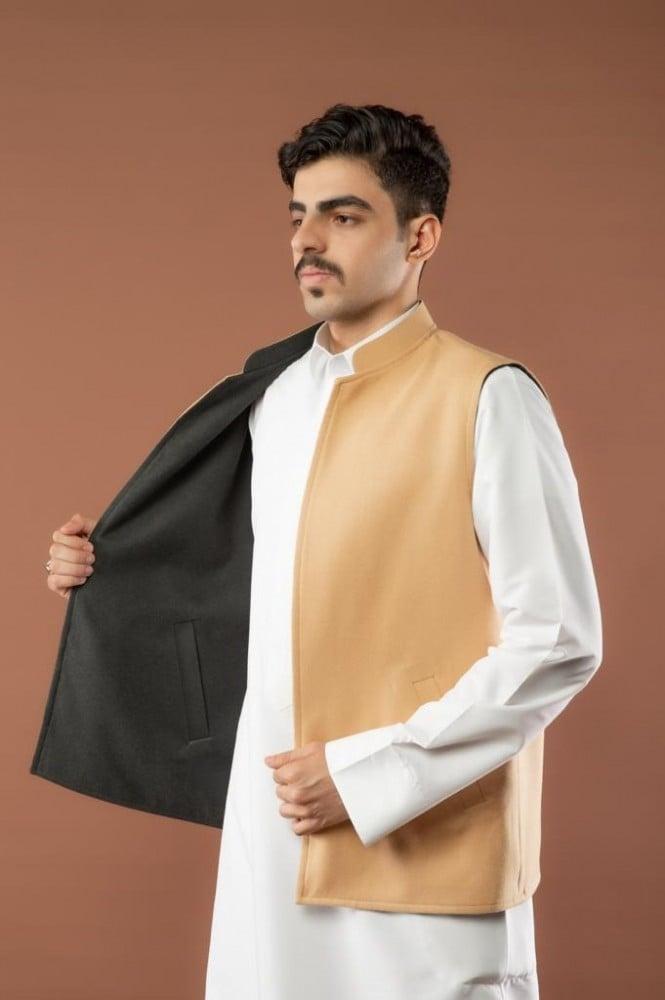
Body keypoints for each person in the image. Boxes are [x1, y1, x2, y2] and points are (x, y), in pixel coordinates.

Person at [44, 104, 603, 999]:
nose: (307, 241)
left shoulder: (489, 396)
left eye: (343, 216)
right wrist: (103, 570)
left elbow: (557, 642)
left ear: (419, 236)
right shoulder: (268, 395)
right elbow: (241, 581)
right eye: (298, 216)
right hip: (275, 841)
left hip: (421, 843)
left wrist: (369, 775)